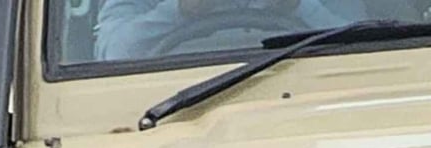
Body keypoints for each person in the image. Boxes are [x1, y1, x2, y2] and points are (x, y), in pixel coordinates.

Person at [96, 0, 368, 60]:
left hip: (306, 87)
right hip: (169, 103)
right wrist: (181, 9)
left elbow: (361, 44)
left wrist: (296, 6)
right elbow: (114, 54)